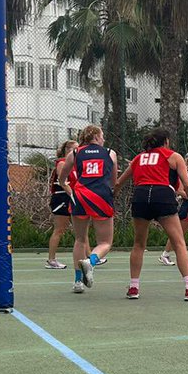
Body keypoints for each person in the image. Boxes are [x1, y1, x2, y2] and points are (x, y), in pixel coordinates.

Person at [113, 129, 188, 301]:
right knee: (179, 243)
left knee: (139, 243)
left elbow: (119, 182)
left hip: (141, 196)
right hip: (162, 194)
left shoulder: (139, 158)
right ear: (165, 141)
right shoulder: (173, 156)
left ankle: (134, 287)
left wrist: (111, 198)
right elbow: (187, 185)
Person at [56, 125, 117, 294]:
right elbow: (113, 181)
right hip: (100, 196)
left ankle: (77, 282)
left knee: (80, 239)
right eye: (102, 135)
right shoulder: (110, 153)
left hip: (80, 196)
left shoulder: (75, 153)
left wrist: (65, 185)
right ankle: (91, 261)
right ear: (96, 136)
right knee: (105, 242)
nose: (104, 138)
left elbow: (63, 176)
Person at [45, 139, 78, 268]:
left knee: (80, 230)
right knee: (59, 230)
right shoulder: (62, 163)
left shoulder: (76, 166)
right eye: (76, 149)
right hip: (62, 198)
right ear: (69, 151)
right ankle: (51, 260)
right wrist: (73, 195)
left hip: (71, 198)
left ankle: (91, 257)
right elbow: (63, 181)